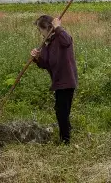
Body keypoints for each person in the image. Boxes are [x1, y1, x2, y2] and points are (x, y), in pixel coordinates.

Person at [30, 15, 78, 145]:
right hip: (58, 81)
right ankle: (67, 132)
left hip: (66, 80)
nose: (40, 33)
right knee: (62, 110)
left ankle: (65, 140)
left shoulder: (60, 37)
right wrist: (37, 57)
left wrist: (58, 27)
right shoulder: (47, 43)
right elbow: (46, 64)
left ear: (48, 28)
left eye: (40, 30)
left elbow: (68, 41)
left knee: (61, 111)